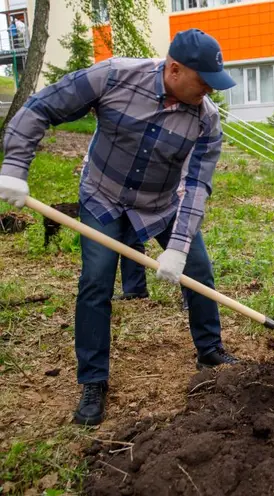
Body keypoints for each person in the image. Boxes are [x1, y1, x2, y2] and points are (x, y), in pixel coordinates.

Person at [0, 29, 238, 425]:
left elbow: (196, 186)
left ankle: (210, 350)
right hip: (103, 196)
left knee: (199, 269)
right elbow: (41, 108)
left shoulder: (206, 121)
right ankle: (94, 382)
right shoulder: (113, 76)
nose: (210, 93)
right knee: (95, 281)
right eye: (204, 83)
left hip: (161, 204)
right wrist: (14, 168)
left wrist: (177, 247)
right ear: (174, 69)